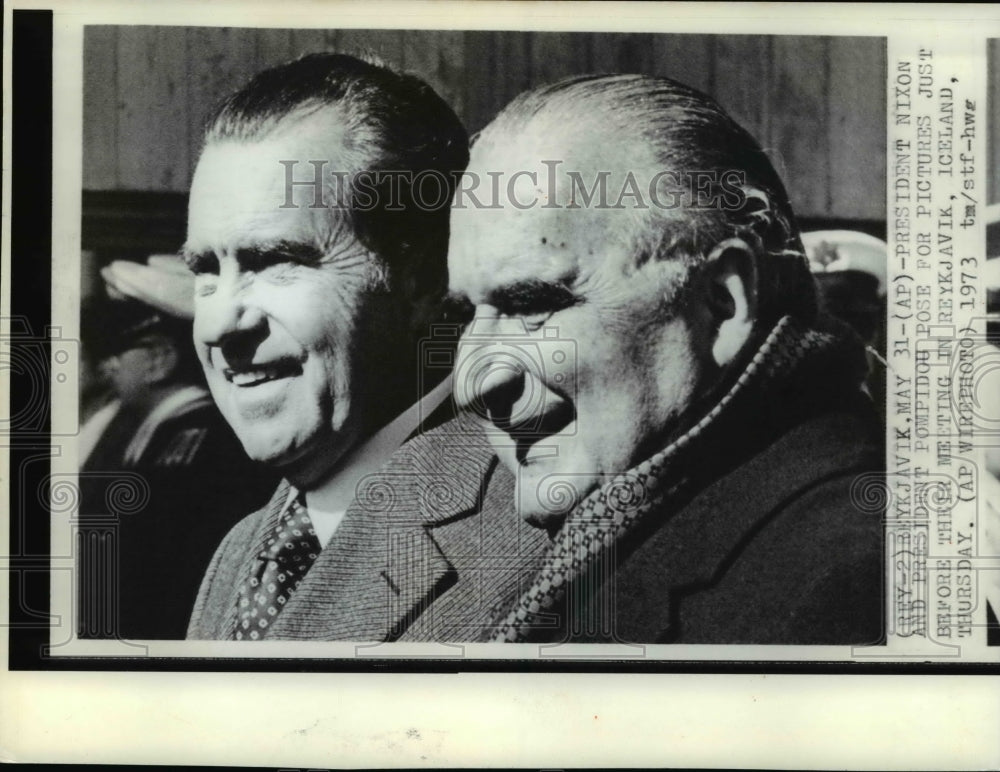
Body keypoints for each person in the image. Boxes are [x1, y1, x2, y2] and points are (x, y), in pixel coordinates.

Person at [447, 74, 885, 644]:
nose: (472, 383)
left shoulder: (849, 584)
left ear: (722, 304)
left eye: (532, 305)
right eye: (463, 315)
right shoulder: (586, 522)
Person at [186, 53, 548, 641]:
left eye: (275, 261)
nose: (219, 325)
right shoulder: (240, 553)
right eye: (205, 269)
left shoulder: (529, 541)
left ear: (425, 283)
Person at [78, 256, 275, 639]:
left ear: (159, 359)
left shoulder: (201, 444)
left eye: (116, 350)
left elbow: (173, 580)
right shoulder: (163, 433)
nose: (107, 367)